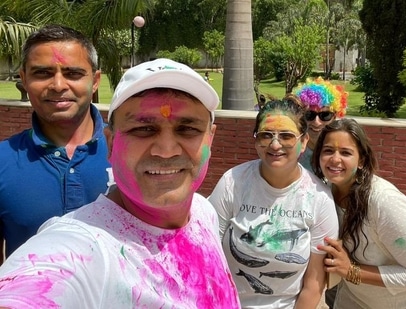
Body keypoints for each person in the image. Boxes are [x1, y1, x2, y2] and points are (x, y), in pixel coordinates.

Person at [0, 58, 241, 308]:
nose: (166, 150)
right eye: (143, 129)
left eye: (188, 129)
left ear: (210, 139)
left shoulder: (203, 211)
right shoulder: (81, 250)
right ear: (111, 143)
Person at [208, 98, 339, 308]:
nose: (275, 145)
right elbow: (208, 255)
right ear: (255, 140)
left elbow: (313, 286)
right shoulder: (233, 182)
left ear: (304, 141)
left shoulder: (319, 199)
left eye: (286, 136)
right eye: (266, 135)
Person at [312, 118, 406, 308]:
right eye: (328, 150)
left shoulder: (384, 202)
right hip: (355, 300)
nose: (335, 159)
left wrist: (351, 270)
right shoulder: (324, 194)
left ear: (361, 160)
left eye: (346, 152)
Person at [0, 24, 112, 262]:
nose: (59, 85)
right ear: (24, 79)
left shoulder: (132, 152)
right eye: (43, 73)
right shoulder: (3, 161)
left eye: (73, 73)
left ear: (95, 81)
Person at [294, 77, 348, 171]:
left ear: (334, 117)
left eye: (325, 115)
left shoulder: (343, 150)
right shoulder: (292, 151)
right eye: (310, 114)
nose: (316, 122)